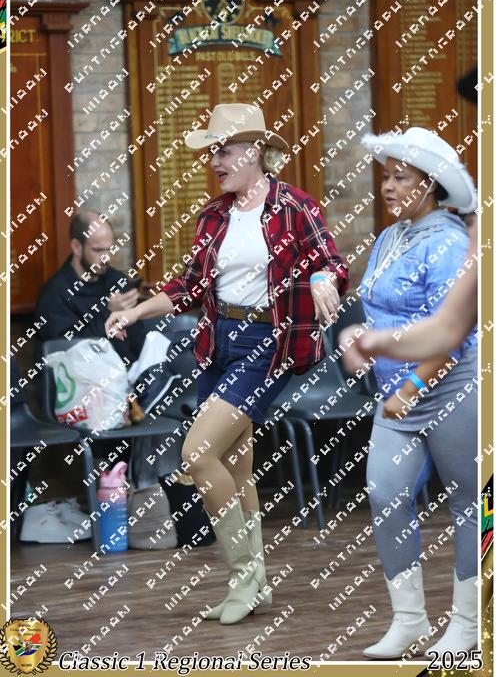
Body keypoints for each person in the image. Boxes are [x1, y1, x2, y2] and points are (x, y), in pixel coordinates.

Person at [105, 103, 349, 625]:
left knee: (196, 454)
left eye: (224, 151)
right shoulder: (213, 215)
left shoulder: (294, 206)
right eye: (212, 152)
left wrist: (322, 280)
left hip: (268, 342)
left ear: (254, 152)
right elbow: (189, 286)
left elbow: (331, 262)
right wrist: (136, 312)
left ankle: (242, 576)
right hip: (219, 343)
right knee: (234, 465)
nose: (214, 161)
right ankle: (256, 584)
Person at [351, 127, 478, 660]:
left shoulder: (449, 241)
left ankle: (469, 623)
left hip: (451, 389)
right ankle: (409, 621)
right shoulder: (389, 237)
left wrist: (412, 385)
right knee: (385, 495)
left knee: (471, 505)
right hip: (395, 396)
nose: (388, 186)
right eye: (386, 176)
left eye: (401, 177)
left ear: (431, 184)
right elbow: (380, 311)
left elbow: (454, 335)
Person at [339, 214, 478, 365]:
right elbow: (447, 328)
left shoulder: (450, 240)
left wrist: (412, 381)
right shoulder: (388, 236)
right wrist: (372, 341)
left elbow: (452, 339)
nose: (470, 228)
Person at [35, 211, 144, 365]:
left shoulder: (117, 280)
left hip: (129, 372)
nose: (106, 258)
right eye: (98, 250)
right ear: (76, 247)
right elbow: (67, 352)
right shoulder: (55, 293)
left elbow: (138, 340)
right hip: (83, 376)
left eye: (109, 249)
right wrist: (108, 313)